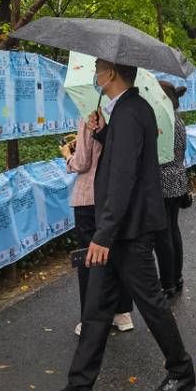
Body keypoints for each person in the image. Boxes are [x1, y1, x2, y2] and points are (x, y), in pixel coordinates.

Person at [35, 60, 194, 391]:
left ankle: (181, 372)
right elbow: (126, 157)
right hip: (122, 228)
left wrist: (103, 234)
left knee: (151, 302)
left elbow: (123, 176)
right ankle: (78, 390)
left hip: (129, 230)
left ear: (110, 74)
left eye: (98, 67)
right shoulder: (125, 110)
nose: (94, 72)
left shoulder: (131, 111)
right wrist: (103, 132)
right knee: (96, 308)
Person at [61, 121, 134, 336]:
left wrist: (68, 155)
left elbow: (82, 163)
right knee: (116, 254)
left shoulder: (89, 116)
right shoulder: (122, 114)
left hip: (89, 199)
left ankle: (90, 319)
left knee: (89, 260)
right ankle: (122, 314)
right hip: (116, 197)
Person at [154, 81, 191, 298]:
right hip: (177, 179)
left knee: (163, 234)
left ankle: (167, 282)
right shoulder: (178, 120)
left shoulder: (162, 121)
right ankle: (176, 277)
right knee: (173, 230)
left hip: (162, 181)